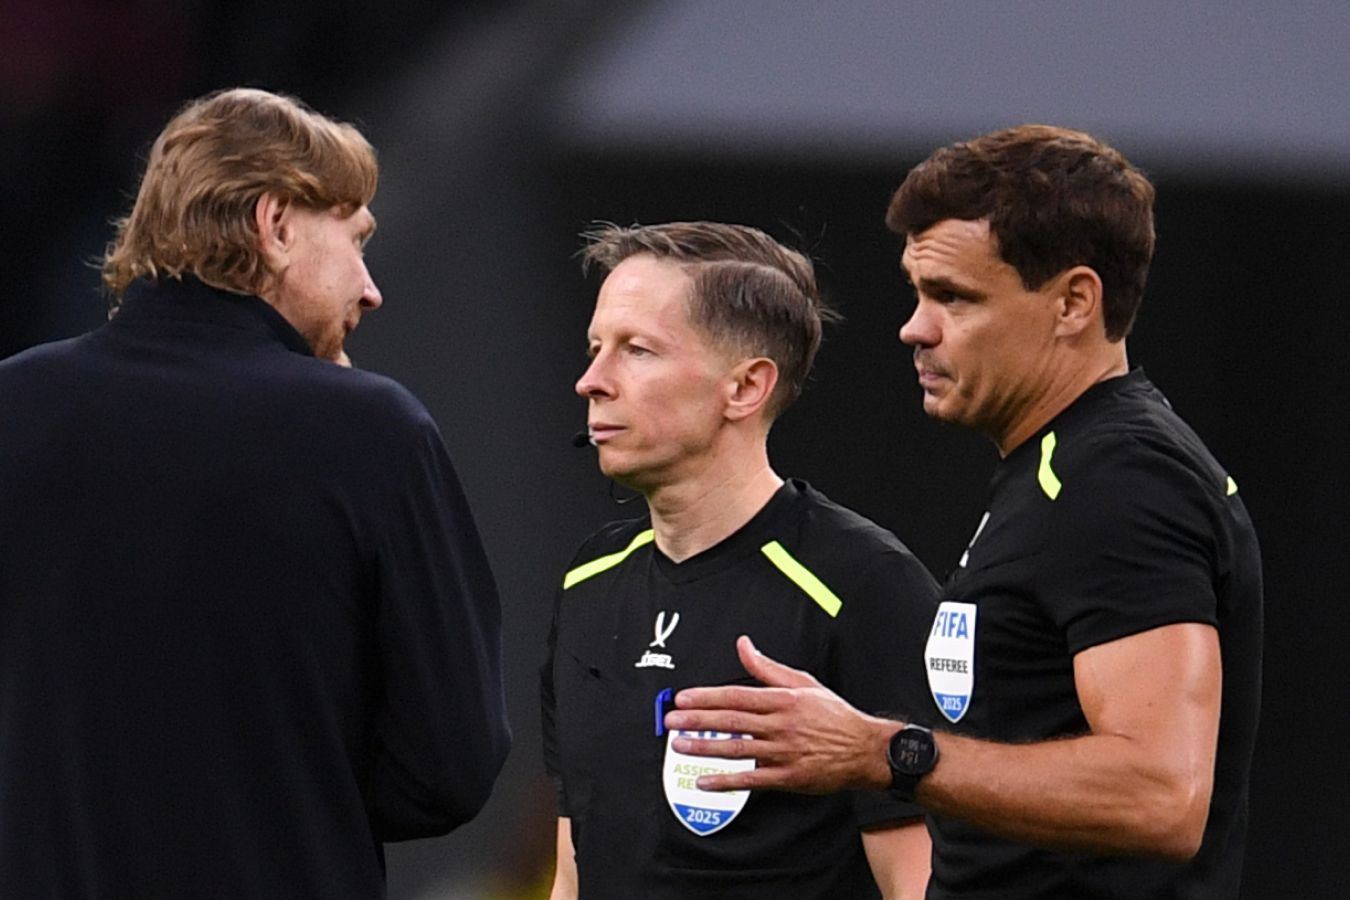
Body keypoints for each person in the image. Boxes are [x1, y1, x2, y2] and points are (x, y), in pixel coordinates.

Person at [664, 126, 1263, 898]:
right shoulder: (1059, 469)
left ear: (1074, 302)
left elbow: (1162, 794)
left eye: (953, 296)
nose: (915, 327)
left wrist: (885, 752)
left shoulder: (1122, 479)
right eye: (919, 293)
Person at [0, 87, 510, 897]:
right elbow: (451, 765)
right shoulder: (370, 433)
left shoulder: (13, 404)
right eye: (356, 239)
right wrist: (284, 789)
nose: (370, 289)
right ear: (275, 225)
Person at [540, 221, 940, 899]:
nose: (591, 382)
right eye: (595, 348)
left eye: (637, 350)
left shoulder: (863, 585)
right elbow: (574, 872)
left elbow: (920, 880)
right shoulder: (589, 581)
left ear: (746, 387)